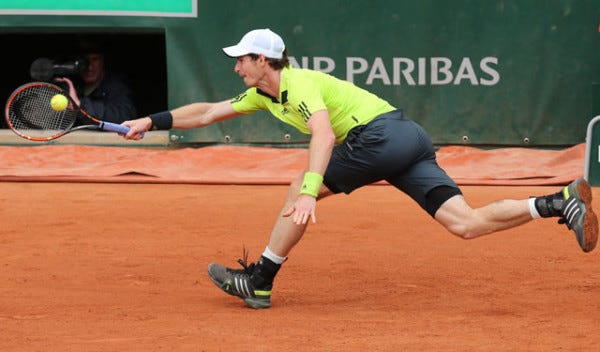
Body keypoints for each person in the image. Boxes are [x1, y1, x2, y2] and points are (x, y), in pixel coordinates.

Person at [120, 29, 598, 309]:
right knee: (464, 224)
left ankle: (260, 281)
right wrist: (148, 120)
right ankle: (558, 203)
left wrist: (309, 192)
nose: (236, 67)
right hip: (407, 138)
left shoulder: (300, 83)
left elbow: (324, 136)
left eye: (241, 60)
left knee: (296, 184)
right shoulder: (262, 94)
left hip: (379, 137)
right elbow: (205, 113)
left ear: (262, 60)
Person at [55, 40, 138, 125]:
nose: (90, 67)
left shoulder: (117, 84)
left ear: (103, 61)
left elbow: (126, 117)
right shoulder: (68, 83)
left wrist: (80, 105)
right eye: (84, 61)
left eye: (95, 59)